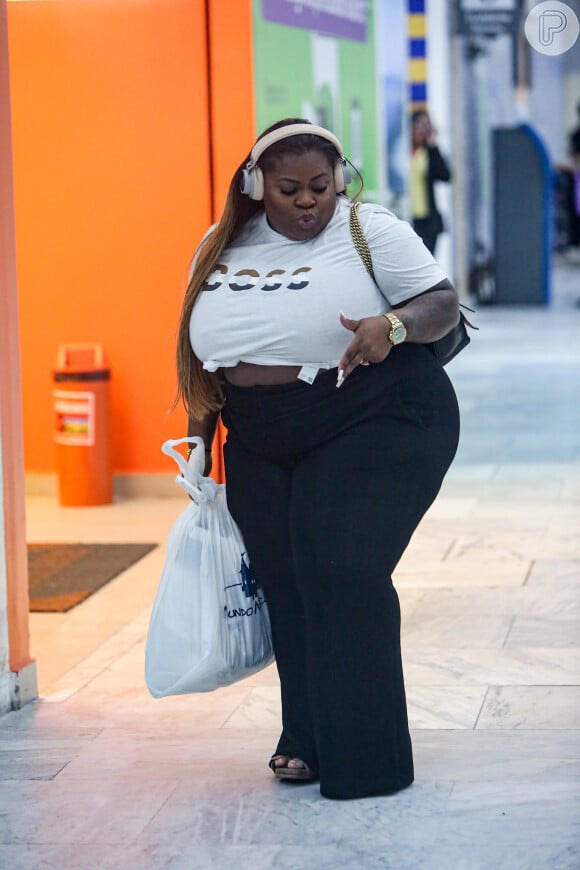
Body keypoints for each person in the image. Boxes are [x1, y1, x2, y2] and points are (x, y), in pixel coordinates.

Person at [175, 118, 460, 800]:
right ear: (255, 187)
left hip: (371, 413)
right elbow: (203, 356)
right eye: (288, 189)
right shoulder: (219, 246)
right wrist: (198, 442)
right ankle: (305, 738)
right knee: (285, 579)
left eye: (320, 188)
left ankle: (369, 758)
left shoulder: (371, 229)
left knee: (338, 566)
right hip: (258, 433)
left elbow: (442, 305)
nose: (307, 203)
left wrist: (390, 326)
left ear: (340, 182)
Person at [410, 109, 451, 255]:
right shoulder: (401, 150)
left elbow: (445, 175)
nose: (422, 131)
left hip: (426, 218)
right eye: (420, 125)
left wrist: (433, 146)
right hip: (406, 214)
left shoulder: (428, 152)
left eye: (426, 127)